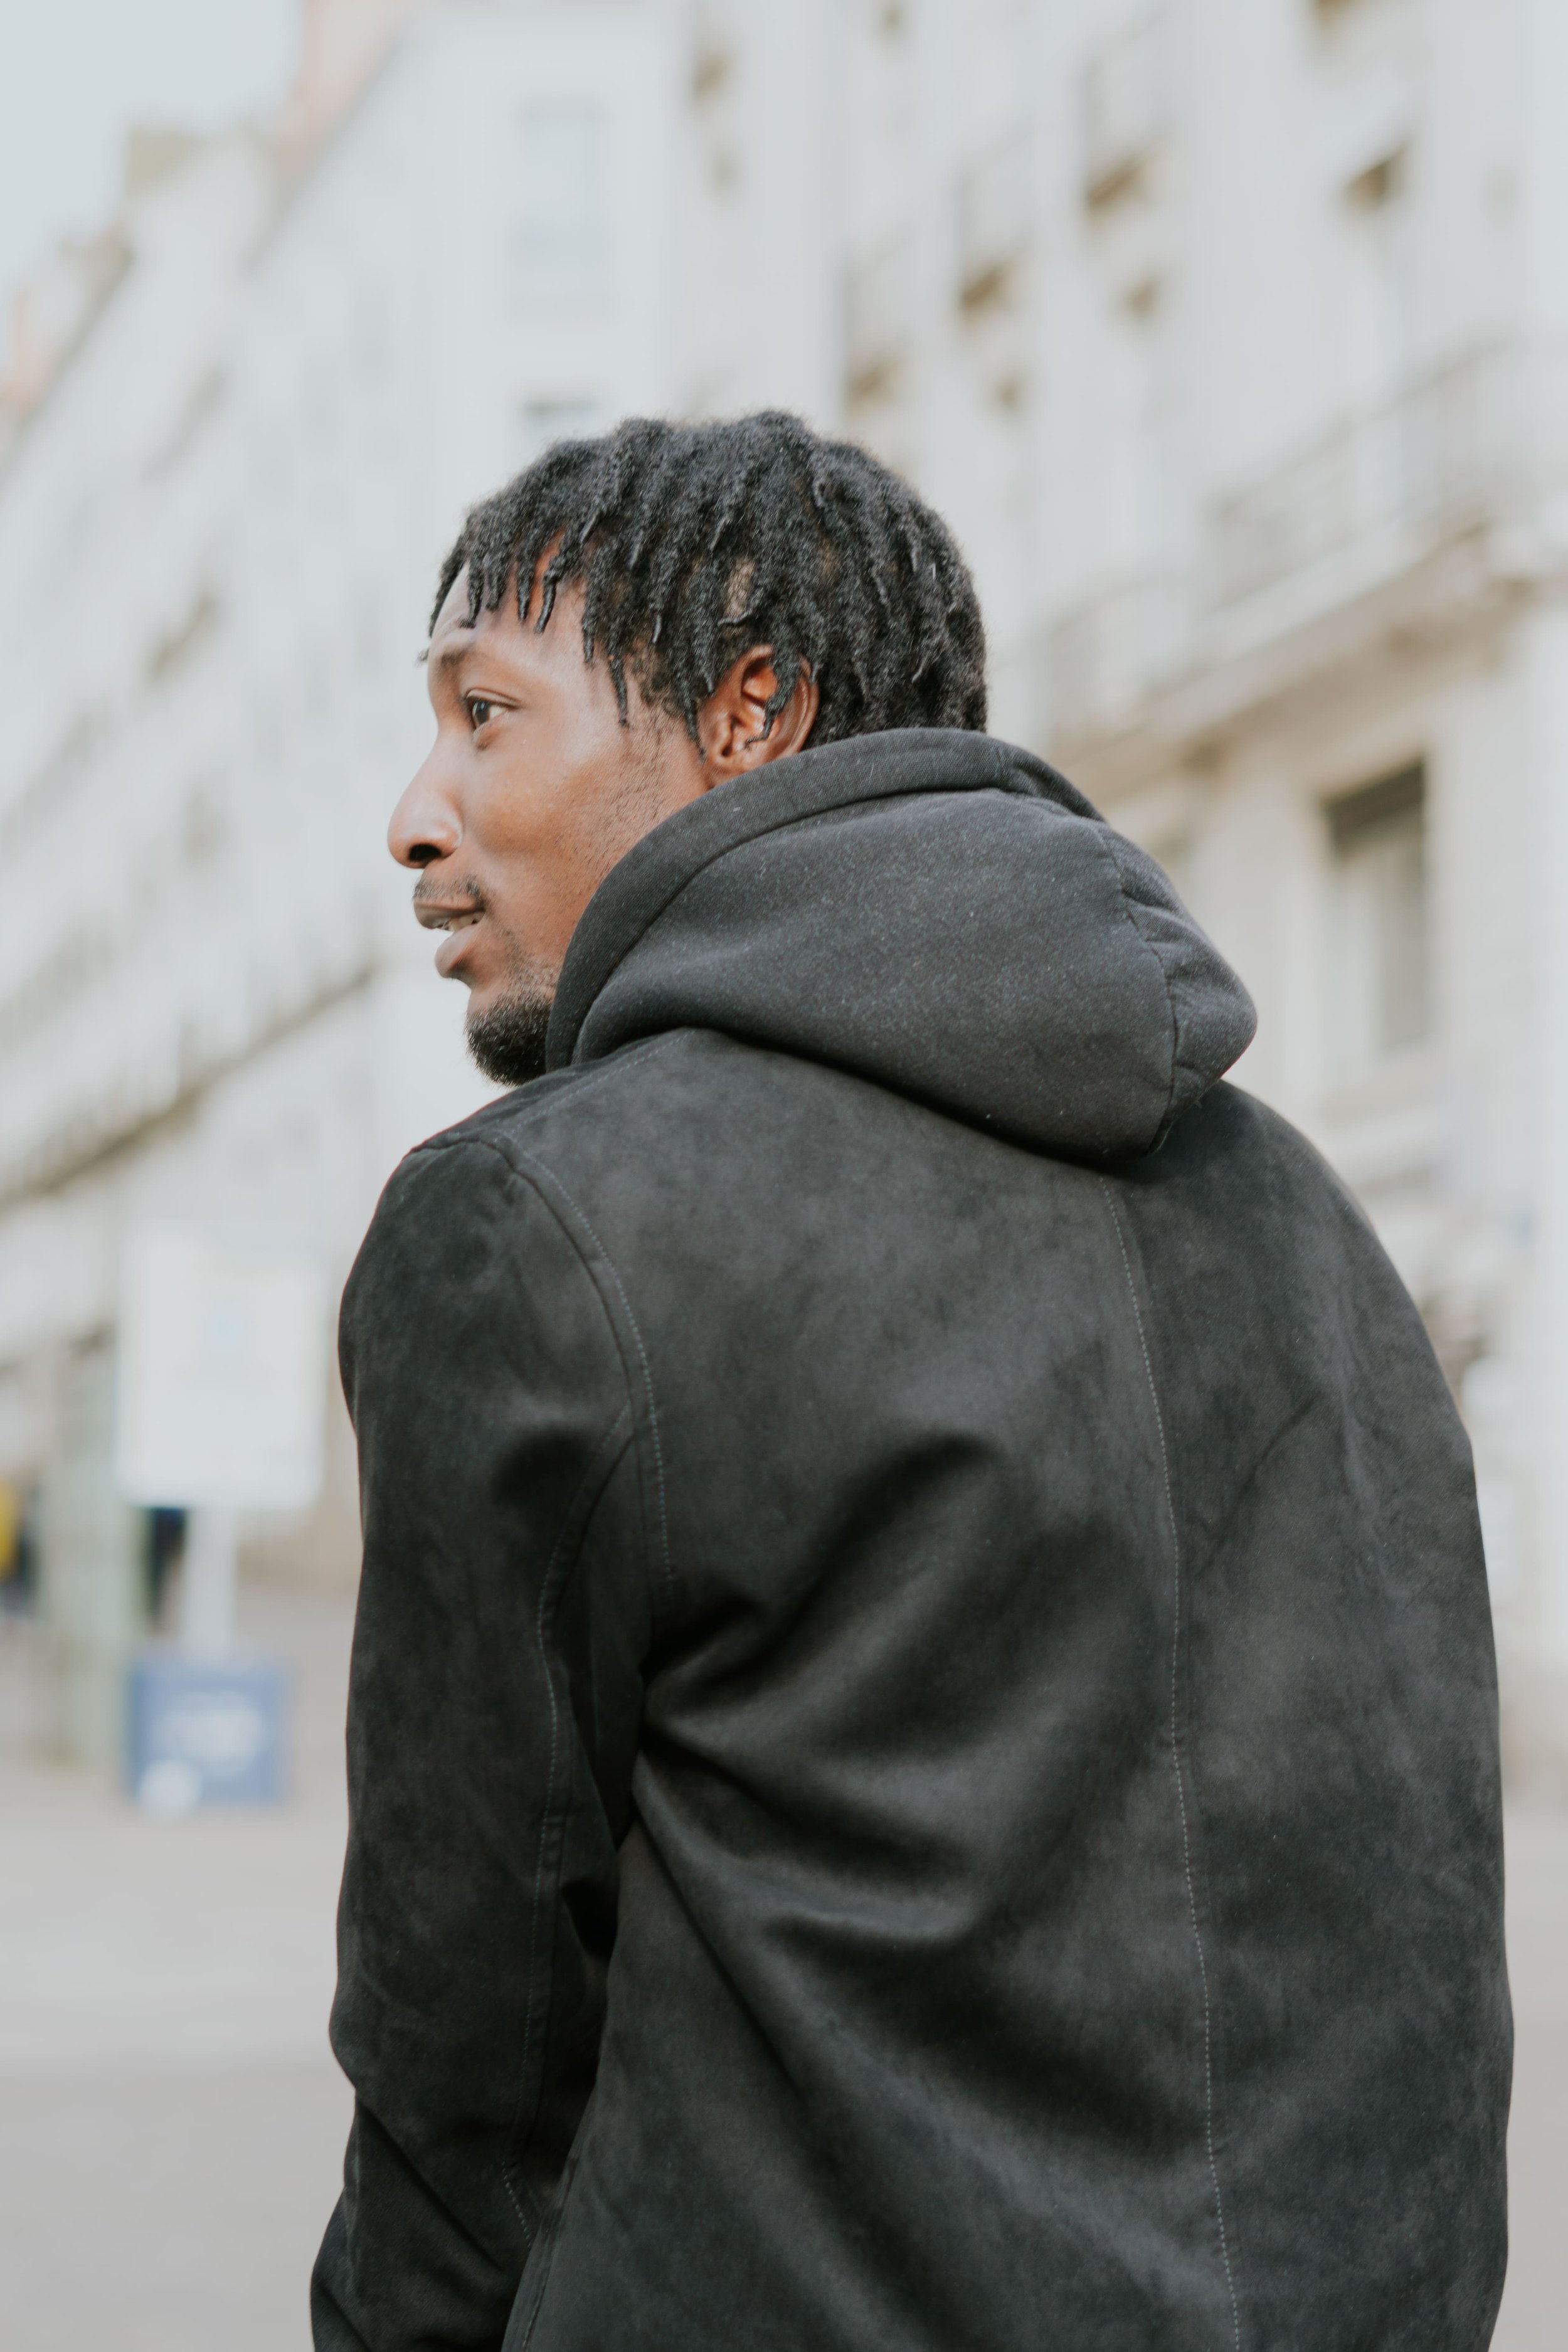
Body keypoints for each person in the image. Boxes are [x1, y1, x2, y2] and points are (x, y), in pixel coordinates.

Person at [311, 414, 1510, 2352]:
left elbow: (466, 2058)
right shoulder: (1290, 1201)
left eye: (484, 714)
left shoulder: (535, 1223)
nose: (416, 814)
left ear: (749, 712)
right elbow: (1414, 1955)